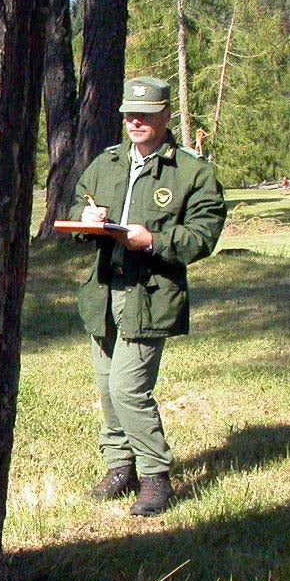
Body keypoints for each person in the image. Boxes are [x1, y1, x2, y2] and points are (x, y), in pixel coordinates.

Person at [69, 77, 226, 516]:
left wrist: (153, 240)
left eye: (145, 114)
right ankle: (121, 467)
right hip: (103, 291)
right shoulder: (108, 163)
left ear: (165, 116)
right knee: (107, 387)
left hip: (150, 293)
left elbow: (203, 235)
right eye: (128, 115)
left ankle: (156, 477)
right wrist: (86, 216)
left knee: (128, 387)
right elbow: (73, 204)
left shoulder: (192, 172)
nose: (135, 122)